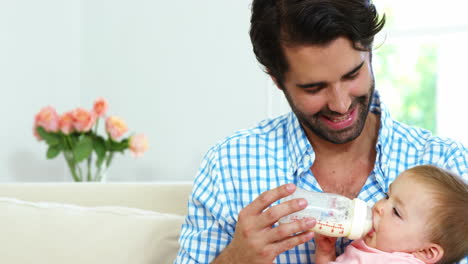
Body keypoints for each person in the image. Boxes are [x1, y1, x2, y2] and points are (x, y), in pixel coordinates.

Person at [175, 0, 468, 263]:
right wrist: (235, 260)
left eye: (352, 74)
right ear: (277, 80)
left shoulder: (450, 166)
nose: (341, 105)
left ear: (369, 52)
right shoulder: (230, 166)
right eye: (314, 88)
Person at [314, 165, 468, 264]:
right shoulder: (369, 247)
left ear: (425, 252)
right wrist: (326, 254)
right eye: (387, 196)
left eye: (396, 212)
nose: (379, 207)